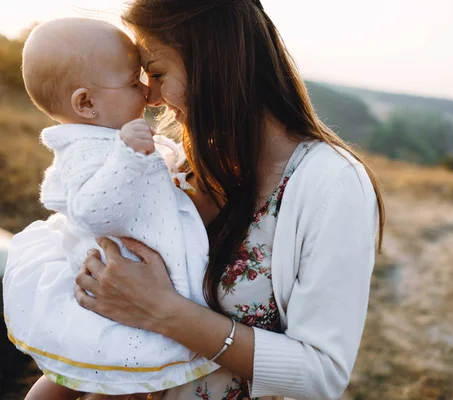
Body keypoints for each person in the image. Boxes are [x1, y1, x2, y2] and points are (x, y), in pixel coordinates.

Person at [12, 0, 386, 399]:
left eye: (156, 73)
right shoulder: (175, 164)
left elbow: (322, 375)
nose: (151, 96)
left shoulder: (332, 184)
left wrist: (166, 312)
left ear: (215, 62)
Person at [2, 18, 219, 400]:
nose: (148, 95)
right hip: (114, 281)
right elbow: (94, 210)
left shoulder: (105, 140)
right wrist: (130, 157)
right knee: (116, 382)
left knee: (98, 380)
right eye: (134, 82)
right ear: (86, 103)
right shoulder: (90, 151)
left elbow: (142, 190)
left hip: (124, 280)